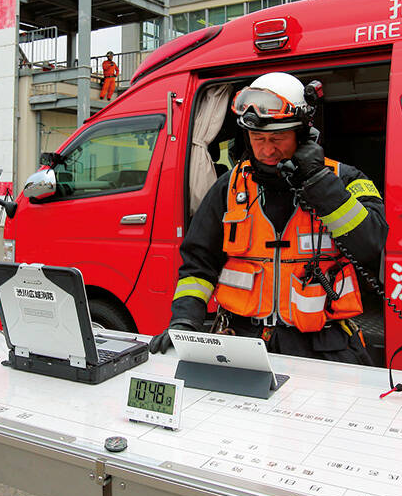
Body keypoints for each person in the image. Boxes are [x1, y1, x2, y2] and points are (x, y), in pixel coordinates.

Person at [150, 72, 386, 364]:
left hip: (324, 347)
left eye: (277, 138)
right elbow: (198, 266)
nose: (266, 150)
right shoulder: (229, 187)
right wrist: (184, 322)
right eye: (257, 138)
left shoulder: (345, 179)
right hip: (243, 344)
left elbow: (372, 244)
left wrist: (319, 183)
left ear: (303, 135)